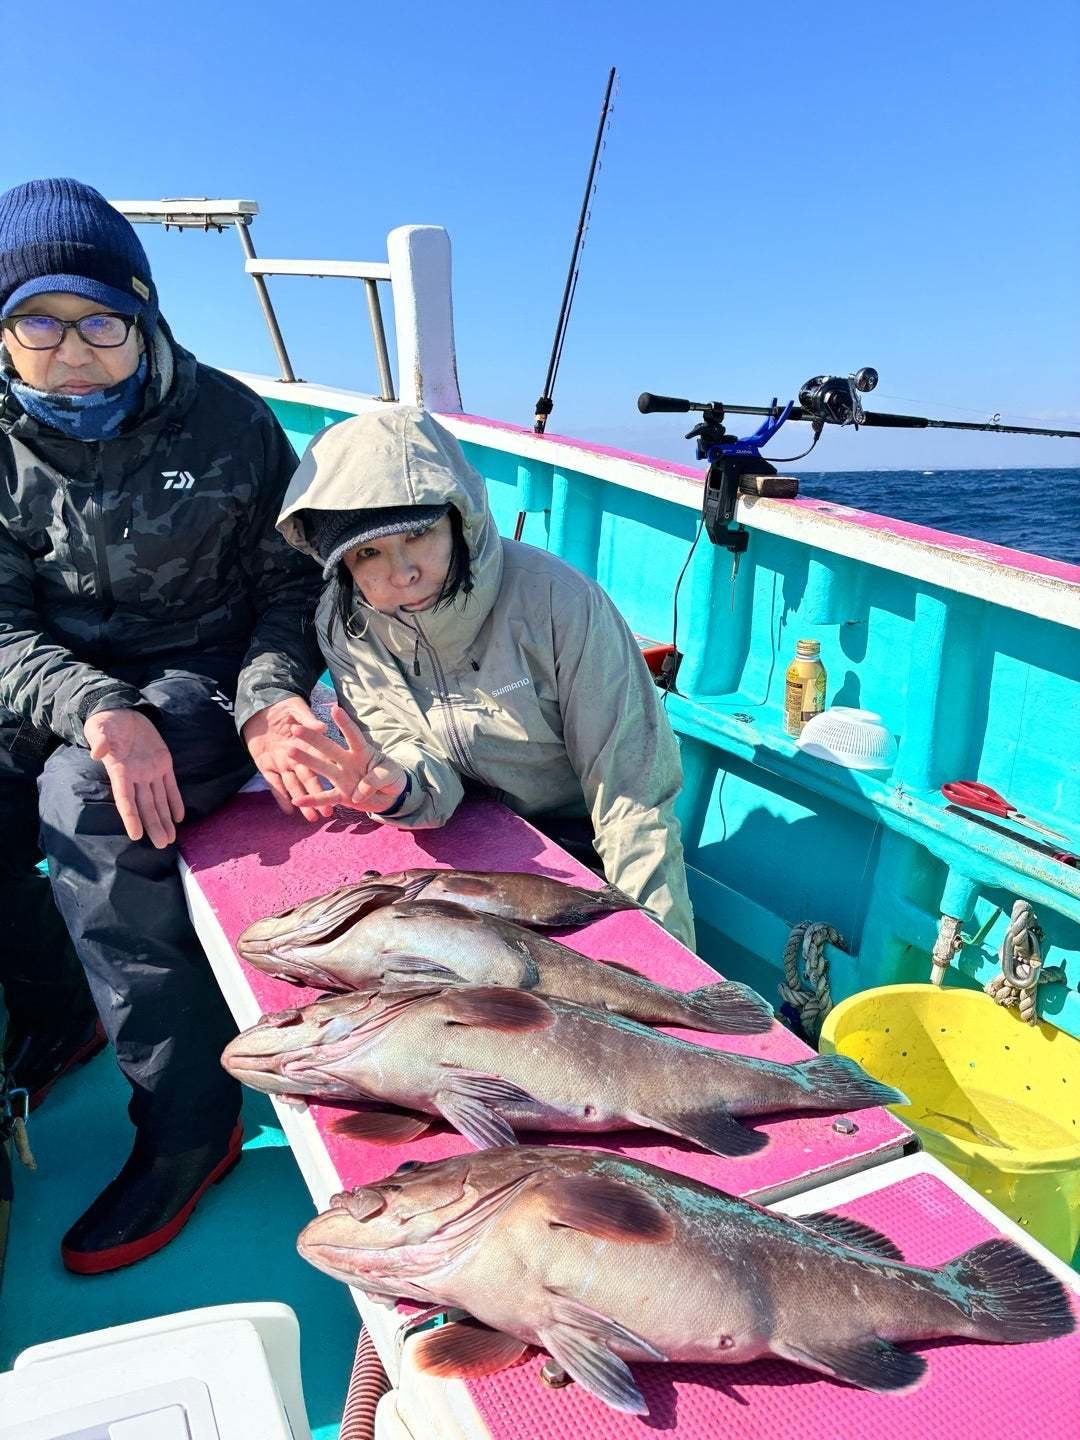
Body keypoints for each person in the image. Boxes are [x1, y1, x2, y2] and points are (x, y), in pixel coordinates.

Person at [0, 177, 328, 1273]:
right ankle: (58, 1014)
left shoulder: (231, 421)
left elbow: (293, 584)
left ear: (143, 321)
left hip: (203, 676)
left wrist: (272, 691)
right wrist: (95, 706)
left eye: (101, 321)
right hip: (60, 679)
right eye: (38, 323)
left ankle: (191, 1124)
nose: (73, 352)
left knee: (86, 803)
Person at [276, 406, 696, 947]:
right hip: (463, 844)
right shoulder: (345, 624)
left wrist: (662, 954)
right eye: (369, 552)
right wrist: (397, 787)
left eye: (419, 534)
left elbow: (632, 799)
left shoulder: (560, 603)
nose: (403, 574)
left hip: (585, 839)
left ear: (460, 519)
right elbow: (402, 746)